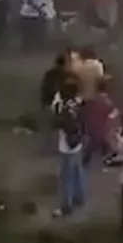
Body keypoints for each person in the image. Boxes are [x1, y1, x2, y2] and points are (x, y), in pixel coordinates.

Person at [53, 82, 86, 217]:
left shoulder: (64, 107)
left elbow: (57, 122)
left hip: (66, 146)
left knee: (65, 177)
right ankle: (79, 198)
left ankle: (66, 207)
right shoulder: (79, 104)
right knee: (77, 173)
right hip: (77, 144)